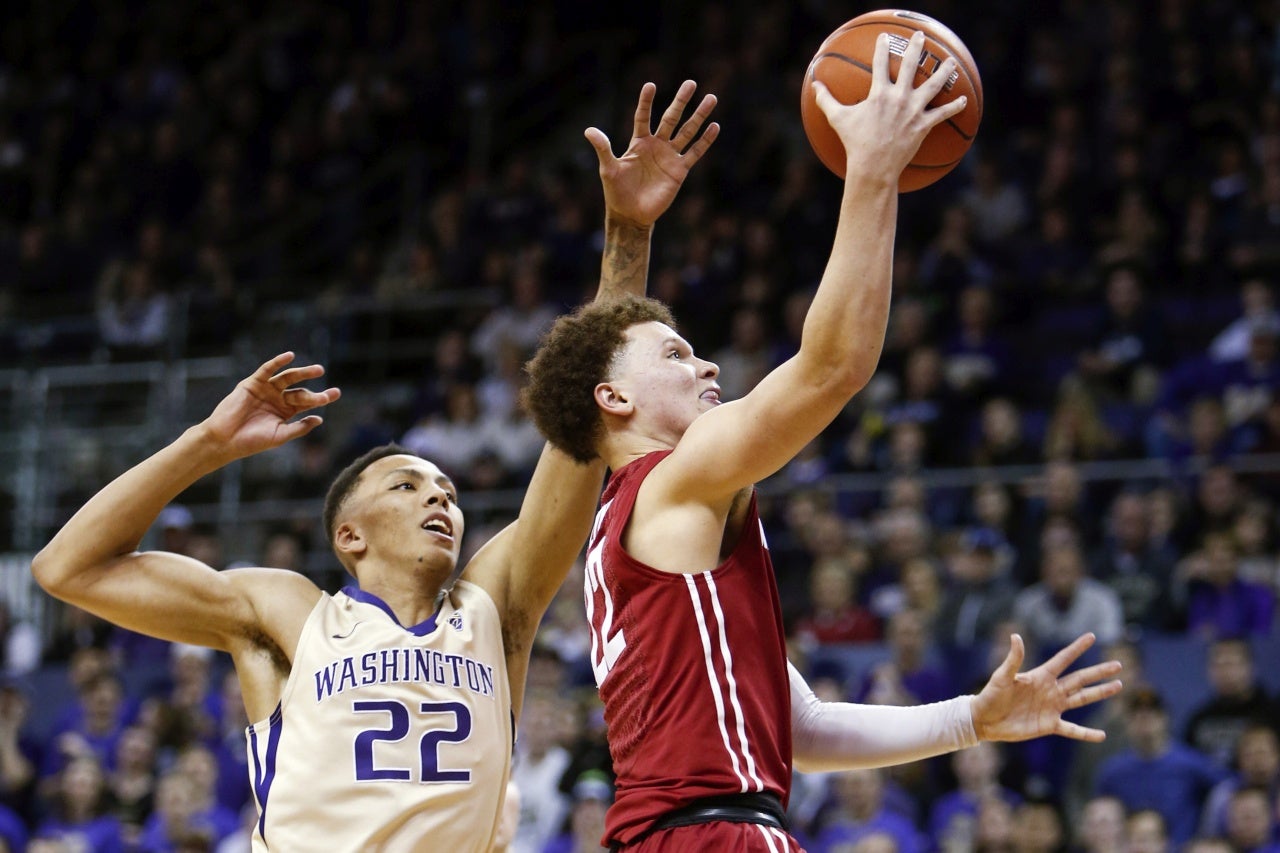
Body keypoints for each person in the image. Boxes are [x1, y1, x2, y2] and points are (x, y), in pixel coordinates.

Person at [30, 81, 721, 853]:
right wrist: (209, 442)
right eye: (410, 483)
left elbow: (581, 428)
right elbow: (68, 567)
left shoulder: (494, 606)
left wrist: (627, 237)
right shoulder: (289, 613)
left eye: (449, 491)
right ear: (349, 535)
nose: (441, 499)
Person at [524, 34, 1123, 853]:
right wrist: (874, 168)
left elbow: (798, 723)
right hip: (715, 837)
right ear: (614, 399)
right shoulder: (673, 481)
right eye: (672, 352)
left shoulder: (632, 529)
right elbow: (834, 366)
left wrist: (970, 721)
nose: (704, 361)